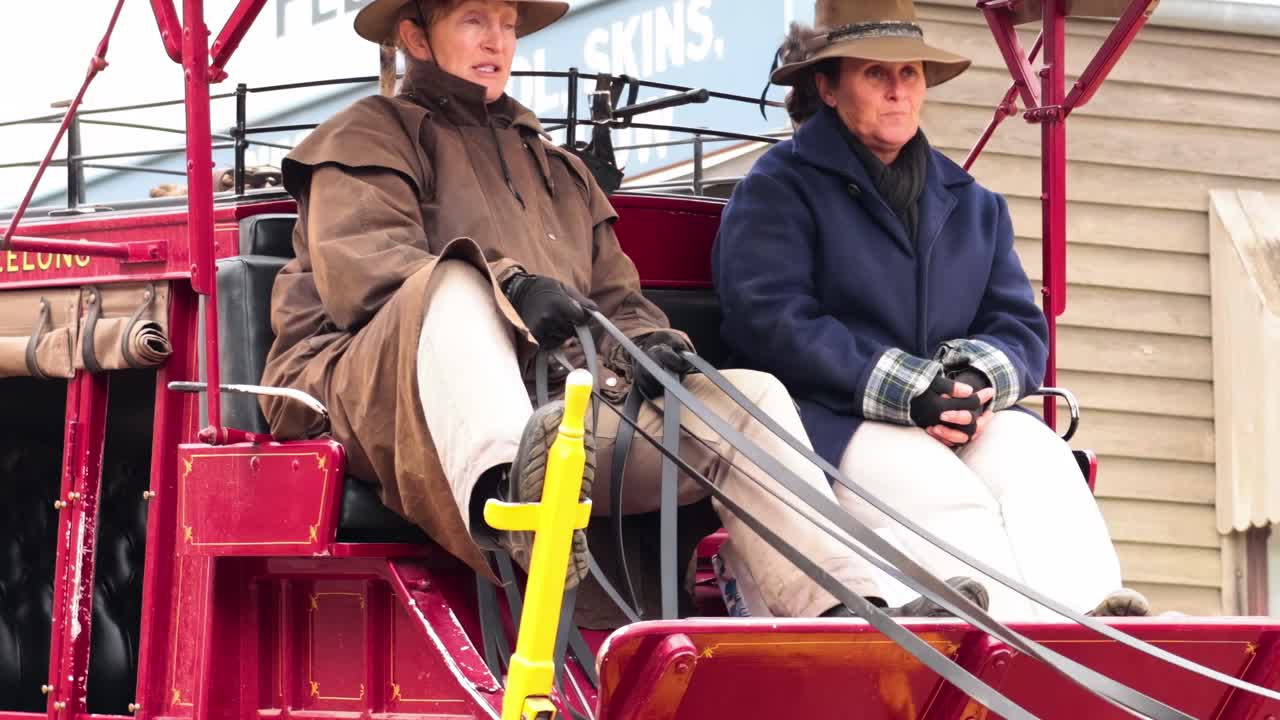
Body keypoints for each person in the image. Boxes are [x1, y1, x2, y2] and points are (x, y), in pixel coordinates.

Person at [259, 0, 985, 625]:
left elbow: (616, 301)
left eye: (508, 25)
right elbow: (370, 272)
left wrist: (652, 345)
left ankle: (848, 612)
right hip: (391, 403)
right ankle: (515, 500)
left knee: (745, 399)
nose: (496, 42)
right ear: (416, 37)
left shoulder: (557, 169)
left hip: (554, 408)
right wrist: (508, 286)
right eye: (474, 21)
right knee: (453, 282)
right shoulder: (368, 134)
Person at [714, 0, 1148, 618]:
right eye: (875, 74)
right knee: (941, 492)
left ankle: (1098, 633)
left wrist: (971, 383)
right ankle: (1017, 647)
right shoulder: (777, 189)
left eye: (910, 74)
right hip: (827, 420)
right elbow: (771, 322)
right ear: (827, 88)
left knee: (1039, 460)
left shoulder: (974, 203)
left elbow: (1018, 327)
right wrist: (914, 391)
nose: (898, 92)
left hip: (957, 412)